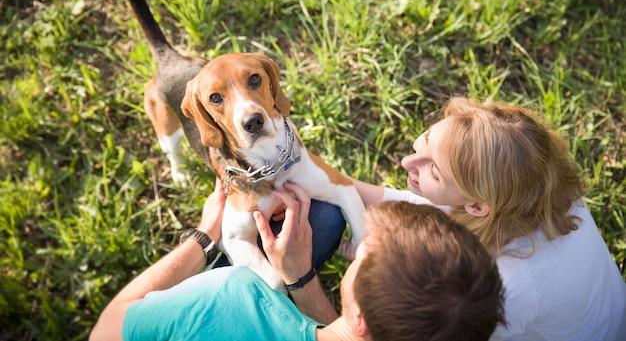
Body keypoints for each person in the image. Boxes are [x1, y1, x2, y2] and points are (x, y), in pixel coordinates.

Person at [352, 96, 626, 341]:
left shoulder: (505, 284)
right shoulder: (538, 186)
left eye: (434, 170)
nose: (407, 163)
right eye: (426, 138)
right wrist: (337, 186)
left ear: (477, 207)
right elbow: (435, 209)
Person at [90, 181, 505, 341]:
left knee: (322, 219)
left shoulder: (230, 294)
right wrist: (300, 275)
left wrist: (203, 237)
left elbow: (105, 330)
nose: (354, 255)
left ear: (360, 318)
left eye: (360, 256)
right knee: (325, 219)